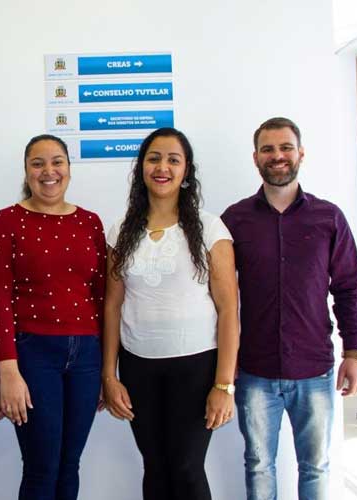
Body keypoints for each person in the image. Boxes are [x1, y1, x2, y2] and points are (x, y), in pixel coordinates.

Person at [222, 117, 357, 500]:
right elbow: (216, 295)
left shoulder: (329, 217)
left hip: (314, 369)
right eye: (268, 149)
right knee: (258, 465)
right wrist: (225, 358)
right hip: (255, 370)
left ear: (301, 153)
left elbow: (349, 288)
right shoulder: (235, 220)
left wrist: (354, 354)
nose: (277, 156)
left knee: (315, 467)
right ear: (256, 157)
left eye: (285, 147)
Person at [102, 127, 239, 500]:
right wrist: (109, 376)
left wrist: (224, 385)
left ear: (186, 171)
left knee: (186, 468)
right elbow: (112, 306)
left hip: (196, 368)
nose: (162, 167)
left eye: (173, 160)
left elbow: (229, 310)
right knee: (155, 468)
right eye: (154, 158)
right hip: (138, 367)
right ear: (141, 168)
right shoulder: (120, 231)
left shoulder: (210, 228)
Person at [0, 134, 106, 500]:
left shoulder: (90, 222)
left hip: (87, 357)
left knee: (69, 465)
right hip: (33, 355)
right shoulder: (6, 221)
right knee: (42, 467)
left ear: (69, 168)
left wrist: (106, 371)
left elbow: (101, 297)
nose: (48, 171)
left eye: (57, 162)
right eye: (37, 164)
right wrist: (7, 370)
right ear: (26, 171)